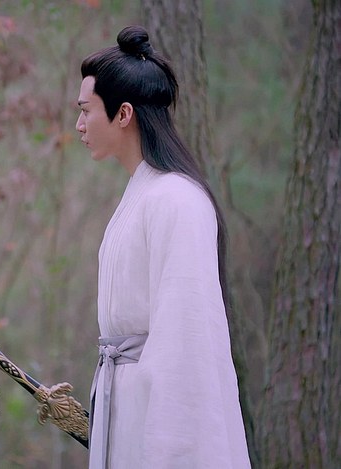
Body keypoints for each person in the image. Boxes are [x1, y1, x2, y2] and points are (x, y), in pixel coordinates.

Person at [75, 26, 250, 468]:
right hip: (126, 405)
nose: (79, 125)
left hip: (156, 418)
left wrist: (169, 452)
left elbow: (185, 343)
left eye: (85, 111)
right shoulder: (142, 195)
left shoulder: (177, 200)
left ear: (123, 114)